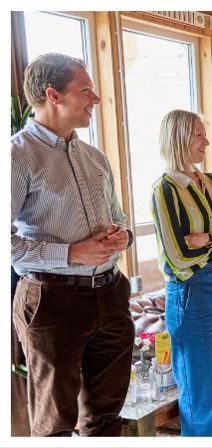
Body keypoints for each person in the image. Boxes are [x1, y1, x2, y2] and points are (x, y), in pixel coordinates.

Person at [11, 53, 134, 436]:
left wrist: (123, 235)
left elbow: (120, 217)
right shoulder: (15, 157)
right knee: (55, 427)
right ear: (53, 95)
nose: (95, 99)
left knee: (106, 419)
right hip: (52, 302)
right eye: (86, 90)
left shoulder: (95, 158)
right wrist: (71, 253)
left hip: (110, 295)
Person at [150, 110, 212, 436]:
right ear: (179, 139)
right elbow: (178, 256)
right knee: (200, 396)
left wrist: (207, 238)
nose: (206, 142)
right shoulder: (165, 190)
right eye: (199, 135)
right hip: (188, 291)